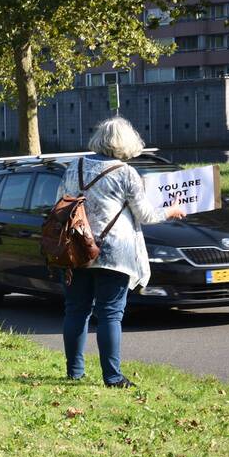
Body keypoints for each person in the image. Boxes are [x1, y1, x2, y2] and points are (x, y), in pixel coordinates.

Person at [58, 117, 185, 388]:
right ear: (126, 143)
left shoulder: (73, 166)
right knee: (110, 315)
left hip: (76, 250)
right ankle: (113, 377)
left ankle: (75, 373)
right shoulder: (126, 173)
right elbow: (146, 214)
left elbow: (60, 203)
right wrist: (171, 211)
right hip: (113, 252)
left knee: (76, 311)